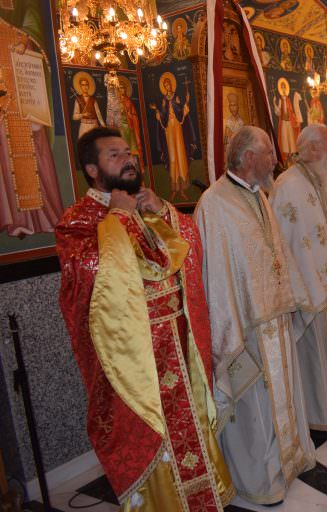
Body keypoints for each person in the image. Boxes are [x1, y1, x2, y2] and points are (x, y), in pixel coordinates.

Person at [55, 127, 234, 509]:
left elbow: (187, 248)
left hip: (177, 342)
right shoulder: (79, 220)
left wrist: (165, 211)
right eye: (114, 155)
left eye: (128, 151)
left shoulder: (147, 204)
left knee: (191, 427)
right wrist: (119, 218)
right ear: (92, 169)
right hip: (133, 358)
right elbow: (87, 276)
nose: (128, 159)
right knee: (149, 435)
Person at [194, 126, 315, 505]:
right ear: (248, 158)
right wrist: (230, 330)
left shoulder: (258, 196)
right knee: (255, 409)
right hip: (245, 328)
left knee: (281, 401)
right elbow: (215, 276)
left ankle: (288, 462)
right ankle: (260, 480)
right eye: (268, 153)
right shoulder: (213, 205)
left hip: (274, 318)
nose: (275, 160)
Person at [271, 123, 327, 433]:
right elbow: (287, 242)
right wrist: (302, 287)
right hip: (309, 289)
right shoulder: (287, 186)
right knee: (314, 354)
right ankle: (319, 413)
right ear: (311, 150)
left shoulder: (321, 180)